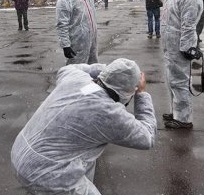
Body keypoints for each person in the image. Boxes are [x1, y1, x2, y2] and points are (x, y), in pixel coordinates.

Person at [11, 59, 156, 195]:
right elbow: (147, 137)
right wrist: (142, 94)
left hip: (21, 151)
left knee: (87, 161)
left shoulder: (76, 78)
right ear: (128, 92)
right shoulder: (110, 113)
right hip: (45, 173)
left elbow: (68, 68)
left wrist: (108, 69)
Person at [133, 0, 203, 129]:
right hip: (171, 45)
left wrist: (187, 47)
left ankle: (184, 119)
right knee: (172, 80)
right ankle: (177, 112)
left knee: (179, 82)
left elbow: (188, 27)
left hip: (180, 46)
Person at [56, 0, 131, 64]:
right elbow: (62, 25)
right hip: (77, 42)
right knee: (76, 70)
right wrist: (65, 45)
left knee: (92, 67)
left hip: (92, 40)